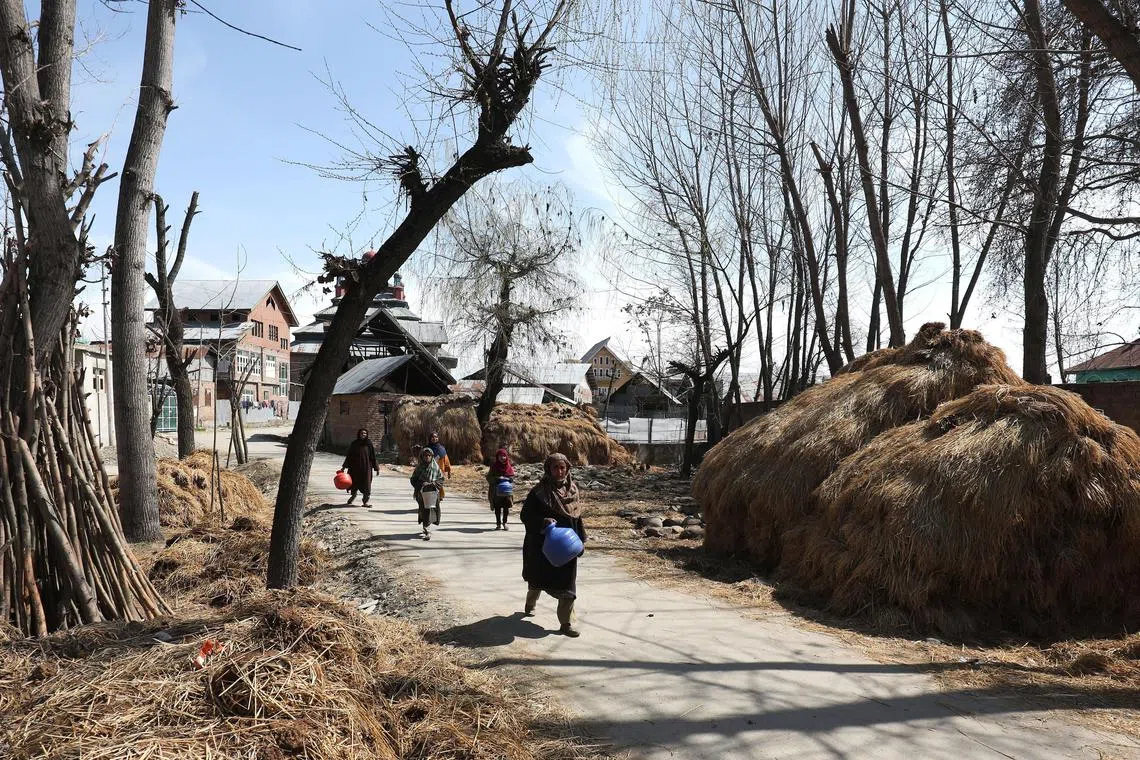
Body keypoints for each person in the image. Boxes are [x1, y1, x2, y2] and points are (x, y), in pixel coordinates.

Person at [520, 453, 585, 637]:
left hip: (567, 546)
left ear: (568, 469)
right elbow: (525, 516)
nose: (559, 471)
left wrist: (581, 541)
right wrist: (542, 522)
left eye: (562, 467)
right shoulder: (538, 493)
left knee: (568, 586)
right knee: (537, 580)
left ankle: (566, 623)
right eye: (555, 467)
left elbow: (577, 518)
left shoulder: (573, 490)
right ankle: (530, 603)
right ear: (548, 469)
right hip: (542, 546)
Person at [338, 428, 379, 506]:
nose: (363, 435)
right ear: (358, 434)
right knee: (353, 483)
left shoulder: (369, 444)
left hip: (366, 468)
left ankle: (365, 502)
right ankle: (353, 496)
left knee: (366, 485)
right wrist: (343, 467)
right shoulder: (354, 444)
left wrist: (376, 468)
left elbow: (373, 456)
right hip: (355, 468)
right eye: (361, 433)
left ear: (367, 435)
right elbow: (349, 456)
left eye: (365, 433)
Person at [411, 447, 445, 540]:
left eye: (429, 455)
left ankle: (427, 527)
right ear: (422, 457)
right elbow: (413, 479)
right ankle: (426, 528)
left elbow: (441, 479)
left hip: (433, 492)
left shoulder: (435, 467)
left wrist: (433, 483)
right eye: (425, 455)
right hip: (422, 493)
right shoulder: (419, 467)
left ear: (432, 456)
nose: (427, 457)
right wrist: (422, 484)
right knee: (424, 509)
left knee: (432, 509)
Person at [486, 447, 515, 531]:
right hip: (496, 491)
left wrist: (509, 479)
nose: (502, 458)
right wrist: (496, 479)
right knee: (497, 508)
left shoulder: (508, 466)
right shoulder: (494, 466)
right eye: (500, 456)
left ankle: (505, 523)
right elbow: (488, 477)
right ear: (497, 457)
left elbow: (512, 477)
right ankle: (498, 524)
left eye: (504, 456)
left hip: (506, 491)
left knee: (506, 507)